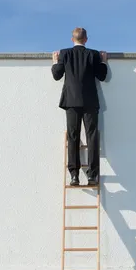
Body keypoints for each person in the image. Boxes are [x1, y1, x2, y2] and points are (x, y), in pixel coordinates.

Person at [51, 27, 108, 186]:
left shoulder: (65, 53)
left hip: (71, 102)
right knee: (92, 137)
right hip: (90, 101)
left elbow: (57, 75)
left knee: (73, 137)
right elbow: (102, 76)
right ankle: (92, 176)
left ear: (72, 39)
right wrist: (103, 61)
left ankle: (74, 175)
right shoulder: (93, 54)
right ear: (86, 39)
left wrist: (55, 62)